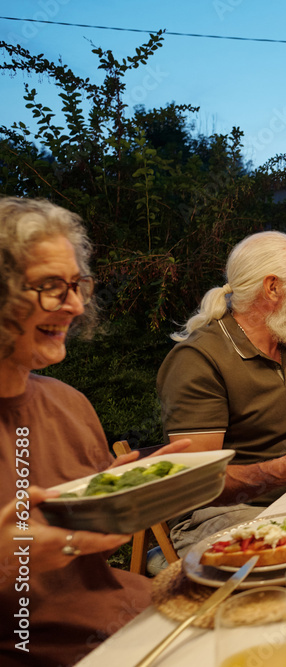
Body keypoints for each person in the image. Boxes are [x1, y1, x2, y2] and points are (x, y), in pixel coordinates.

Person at [0, 197, 186, 665]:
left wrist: (128, 492)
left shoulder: (69, 403)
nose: (76, 305)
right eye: (50, 286)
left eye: (78, 284)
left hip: (141, 620)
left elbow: (102, 544)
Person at [157, 231, 286, 531]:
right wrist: (284, 471)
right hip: (223, 512)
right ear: (272, 288)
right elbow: (196, 482)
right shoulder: (198, 359)